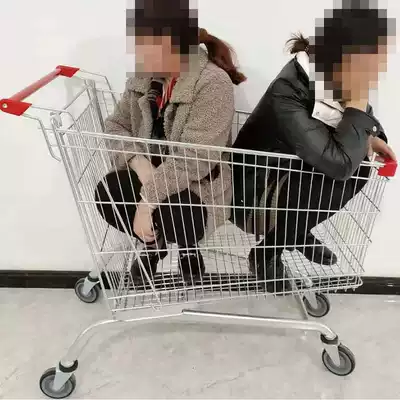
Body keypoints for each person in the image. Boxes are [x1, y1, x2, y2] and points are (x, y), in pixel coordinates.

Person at [232, 0, 396, 291]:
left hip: (288, 175)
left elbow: (356, 125)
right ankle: (269, 250)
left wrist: (372, 137)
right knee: (341, 172)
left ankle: (294, 231)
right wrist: (358, 105)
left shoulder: (335, 82)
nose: (375, 75)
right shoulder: (288, 90)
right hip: (254, 190)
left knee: (360, 165)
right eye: (371, 64)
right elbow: (338, 163)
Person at [95, 0, 246, 284]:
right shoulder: (144, 76)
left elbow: (195, 159)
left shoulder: (213, 83)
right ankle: (155, 244)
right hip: (150, 172)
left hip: (196, 186)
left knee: (180, 215)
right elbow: (116, 125)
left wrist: (146, 203)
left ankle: (187, 247)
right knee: (108, 192)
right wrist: (138, 163)